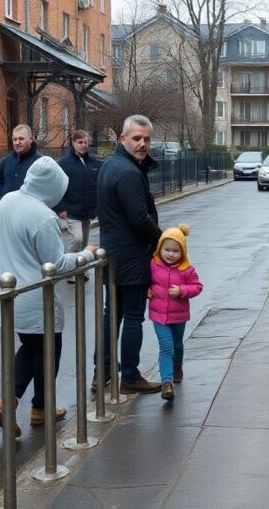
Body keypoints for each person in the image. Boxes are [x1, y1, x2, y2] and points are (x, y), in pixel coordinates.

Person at [0, 156, 97, 436]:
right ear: (53, 188)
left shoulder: (7, 200)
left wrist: (15, 260)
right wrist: (86, 254)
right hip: (35, 297)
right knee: (48, 351)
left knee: (33, 348)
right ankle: (27, 404)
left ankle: (25, 405)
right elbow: (55, 266)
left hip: (8, 291)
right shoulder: (44, 216)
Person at [94, 115, 164, 395]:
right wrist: (163, 241)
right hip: (132, 257)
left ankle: (103, 372)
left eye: (147, 139)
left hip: (112, 253)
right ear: (122, 139)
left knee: (113, 314)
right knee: (133, 316)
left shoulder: (111, 164)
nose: (143, 144)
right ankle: (131, 376)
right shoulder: (129, 172)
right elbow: (139, 219)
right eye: (136, 138)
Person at [148, 224, 203, 401]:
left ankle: (177, 365)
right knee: (166, 346)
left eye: (175, 251)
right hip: (159, 316)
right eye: (167, 249)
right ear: (160, 248)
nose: (170, 254)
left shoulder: (187, 270)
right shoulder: (153, 265)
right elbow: (146, 281)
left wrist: (182, 290)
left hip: (178, 315)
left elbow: (197, 287)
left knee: (177, 345)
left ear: (183, 252)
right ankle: (166, 383)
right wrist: (146, 289)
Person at [56, 129, 102, 283]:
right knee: (76, 239)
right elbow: (57, 186)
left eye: (86, 142)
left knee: (83, 242)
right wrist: (60, 207)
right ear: (73, 143)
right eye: (80, 142)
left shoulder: (93, 163)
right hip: (71, 209)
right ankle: (69, 269)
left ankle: (81, 269)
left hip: (87, 210)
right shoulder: (64, 163)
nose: (84, 145)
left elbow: (97, 185)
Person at [0, 124, 41, 198]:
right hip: (8, 207)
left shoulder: (40, 162)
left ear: (31, 140)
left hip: (30, 207)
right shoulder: (5, 161)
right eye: (15, 139)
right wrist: (4, 195)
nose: (17, 142)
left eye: (21, 139)